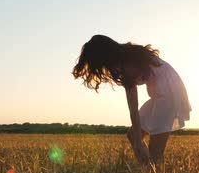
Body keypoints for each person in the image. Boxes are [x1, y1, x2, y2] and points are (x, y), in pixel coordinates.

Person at [72, 35, 191, 163]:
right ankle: (146, 169)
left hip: (169, 93)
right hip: (164, 91)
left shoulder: (126, 66)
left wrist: (139, 142)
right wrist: (138, 140)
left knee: (155, 151)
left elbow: (133, 108)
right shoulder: (128, 53)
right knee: (133, 136)